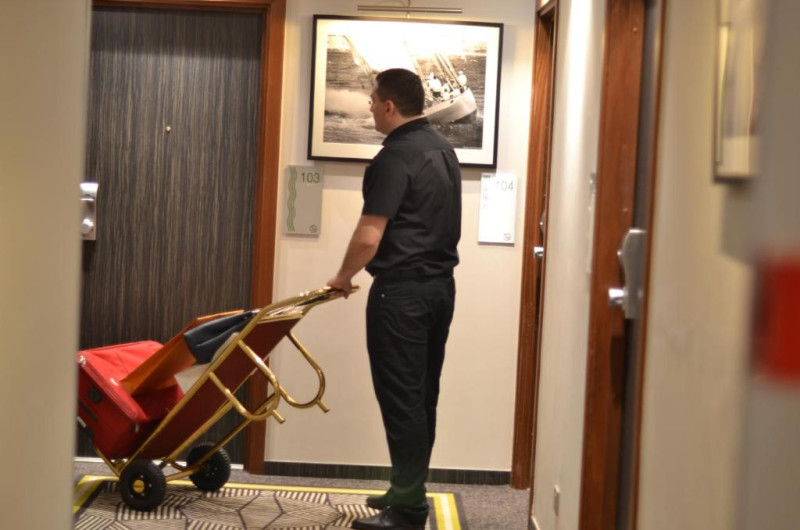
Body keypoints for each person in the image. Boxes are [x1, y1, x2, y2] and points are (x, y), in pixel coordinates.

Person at [327, 68, 461, 530]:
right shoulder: (442, 149)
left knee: (401, 399)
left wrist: (342, 277)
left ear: (389, 106)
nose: (368, 108)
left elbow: (369, 236)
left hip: (401, 294)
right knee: (421, 396)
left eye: (372, 101)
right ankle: (408, 487)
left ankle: (407, 509)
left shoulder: (395, 156)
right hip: (440, 291)